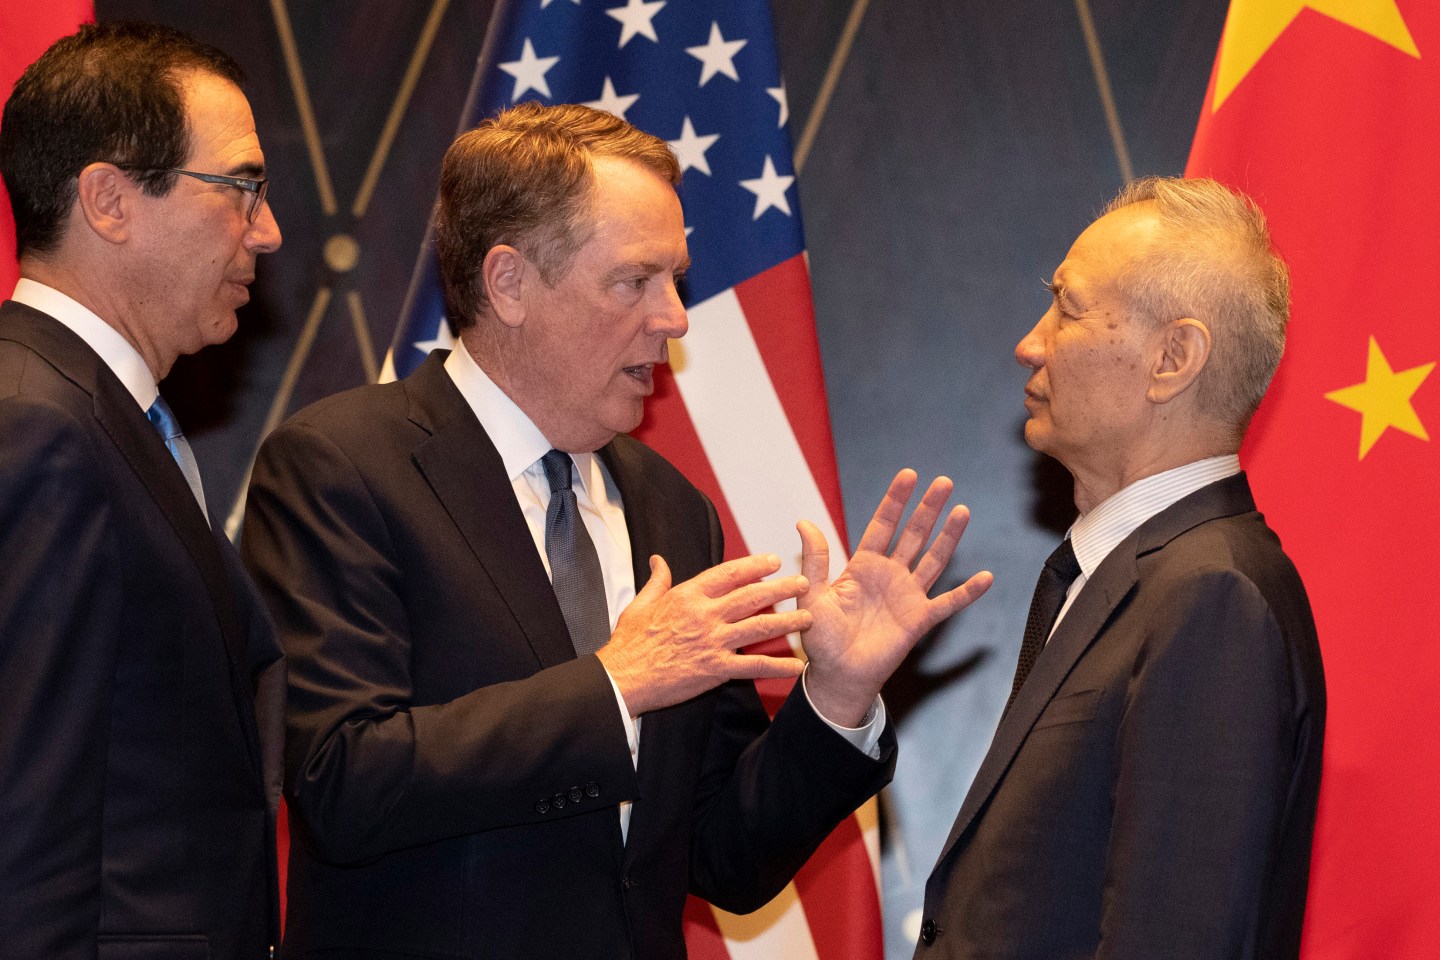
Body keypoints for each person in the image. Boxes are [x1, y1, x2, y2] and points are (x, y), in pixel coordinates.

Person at [241, 101, 992, 960]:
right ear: (510, 283)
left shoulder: (671, 508)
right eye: (635, 282)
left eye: (676, 279)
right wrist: (613, 686)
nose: (675, 318)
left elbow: (725, 856)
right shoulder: (342, 466)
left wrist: (837, 699)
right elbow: (344, 781)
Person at [917, 177, 1325, 959]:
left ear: (1173, 358)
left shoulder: (1212, 596)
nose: (1030, 343)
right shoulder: (1142, 576)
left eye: (1067, 309)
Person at [0, 21, 285, 959]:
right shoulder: (41, 428)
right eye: (242, 188)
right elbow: (27, 819)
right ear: (110, 199)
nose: (269, 231)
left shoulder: (86, 412)